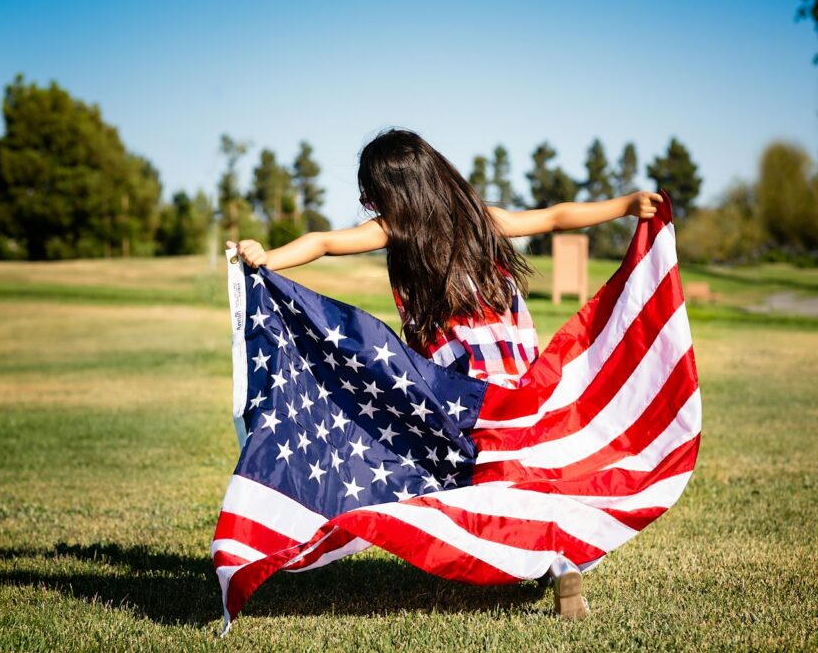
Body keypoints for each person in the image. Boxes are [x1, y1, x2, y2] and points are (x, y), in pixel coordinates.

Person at [226, 127, 663, 619]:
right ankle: (560, 559)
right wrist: (625, 205)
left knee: (486, 477)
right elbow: (559, 216)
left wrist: (269, 257)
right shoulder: (482, 219)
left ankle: (526, 551)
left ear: (393, 189)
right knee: (529, 472)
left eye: (370, 189)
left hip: (459, 384)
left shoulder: (396, 230)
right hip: (517, 374)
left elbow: (325, 242)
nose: (366, 200)